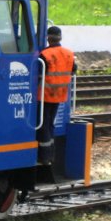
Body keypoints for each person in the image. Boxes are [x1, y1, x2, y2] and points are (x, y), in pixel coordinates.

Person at [36, 26, 76, 165]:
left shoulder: (45, 55)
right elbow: (73, 70)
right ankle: (51, 155)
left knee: (43, 124)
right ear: (60, 37)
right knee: (50, 124)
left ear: (48, 37)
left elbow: (38, 74)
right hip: (60, 95)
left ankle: (44, 156)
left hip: (45, 95)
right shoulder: (69, 54)